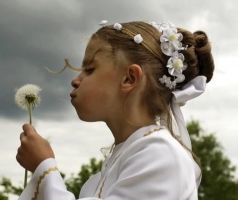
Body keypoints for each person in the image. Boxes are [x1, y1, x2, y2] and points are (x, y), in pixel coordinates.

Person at [16, 20, 214, 200]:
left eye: (90, 69)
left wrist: (44, 168)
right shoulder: (109, 170)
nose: (75, 80)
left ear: (129, 78)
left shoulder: (160, 155)